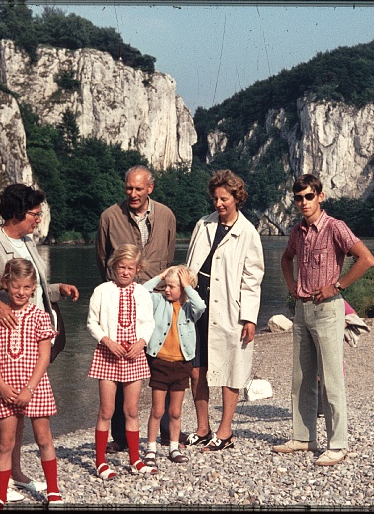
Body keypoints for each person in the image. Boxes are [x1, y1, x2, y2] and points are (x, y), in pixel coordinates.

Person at [0, 183, 79, 503]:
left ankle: (14, 470)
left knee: (20, 404)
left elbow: (32, 287)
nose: (38, 218)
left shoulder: (27, 242)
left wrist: (57, 290)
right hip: (2, 341)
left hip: (30, 339)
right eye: (34, 213)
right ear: (17, 213)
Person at [274, 173, 374, 467]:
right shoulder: (297, 232)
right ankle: (304, 437)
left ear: (320, 196)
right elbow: (285, 259)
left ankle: (338, 443)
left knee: (331, 378)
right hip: (302, 309)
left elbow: (367, 259)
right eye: (298, 198)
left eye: (308, 196)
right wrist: (291, 285)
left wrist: (338, 286)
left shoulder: (335, 228)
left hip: (329, 308)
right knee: (302, 377)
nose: (303, 203)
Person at [95, 165, 178, 453]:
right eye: (129, 188)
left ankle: (166, 432)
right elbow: (102, 259)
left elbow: (168, 257)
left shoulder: (166, 215)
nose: (133, 193)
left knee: (162, 364)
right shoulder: (109, 217)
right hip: (120, 303)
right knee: (119, 367)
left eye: (138, 189)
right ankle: (120, 437)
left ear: (150, 189)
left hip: (157, 302)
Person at [184, 169, 265, 451]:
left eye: (224, 198)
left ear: (236, 198)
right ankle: (202, 426)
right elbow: (190, 264)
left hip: (230, 307)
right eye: (216, 198)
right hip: (197, 304)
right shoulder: (203, 225)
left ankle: (226, 430)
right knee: (197, 369)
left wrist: (250, 319)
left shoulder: (248, 233)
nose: (219, 204)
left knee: (230, 367)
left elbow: (253, 280)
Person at [0, 259, 63, 507]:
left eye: (27, 288)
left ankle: (54, 491)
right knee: (5, 442)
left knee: (44, 439)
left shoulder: (39, 316)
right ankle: (1, 494)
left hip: (34, 388)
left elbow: (45, 356)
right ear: (6, 285)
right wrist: (1, 386)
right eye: (16, 287)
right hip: (4, 389)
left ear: (34, 287)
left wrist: (29, 388)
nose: (21, 292)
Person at [86, 244, 156, 478]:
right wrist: (106, 340)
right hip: (108, 354)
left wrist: (142, 342)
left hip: (133, 356)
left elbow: (149, 323)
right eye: (121, 267)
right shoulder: (102, 291)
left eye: (130, 268)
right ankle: (100, 461)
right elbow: (91, 323)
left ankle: (135, 459)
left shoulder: (142, 293)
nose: (125, 272)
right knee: (106, 410)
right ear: (114, 267)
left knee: (132, 410)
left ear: (138, 269)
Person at [142, 266, 206, 467]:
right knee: (157, 410)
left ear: (184, 289)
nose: (167, 290)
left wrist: (187, 285)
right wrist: (160, 276)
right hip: (160, 363)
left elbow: (201, 305)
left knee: (175, 411)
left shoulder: (189, 309)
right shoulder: (158, 302)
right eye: (165, 286)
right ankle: (151, 448)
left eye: (172, 286)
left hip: (181, 365)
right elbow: (141, 293)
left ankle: (173, 446)